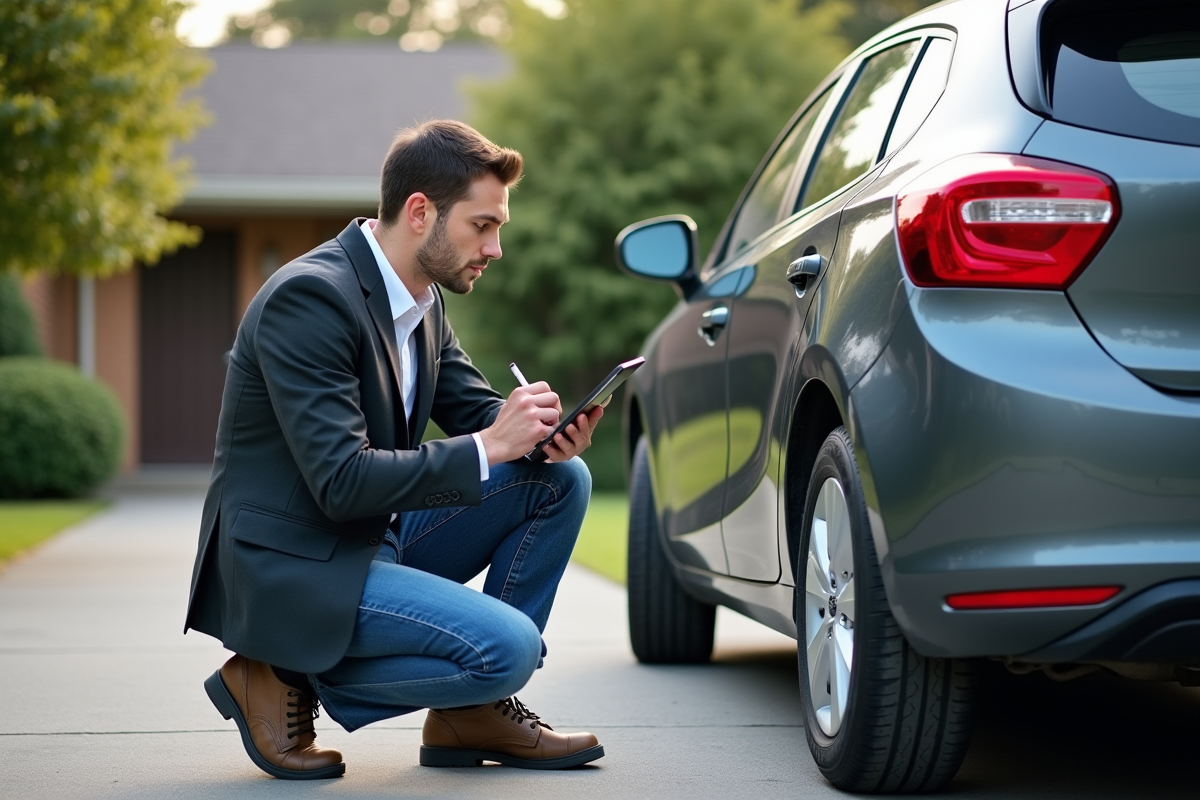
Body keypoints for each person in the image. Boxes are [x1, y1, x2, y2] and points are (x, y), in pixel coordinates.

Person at [184, 120, 606, 779]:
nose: (495, 247)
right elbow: (341, 481)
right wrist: (492, 443)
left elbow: (479, 415)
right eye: (483, 225)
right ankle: (275, 667)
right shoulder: (312, 298)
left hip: (366, 540)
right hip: (295, 563)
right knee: (509, 649)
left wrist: (541, 434)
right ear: (420, 213)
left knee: (560, 479)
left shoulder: (423, 302)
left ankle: (472, 713)